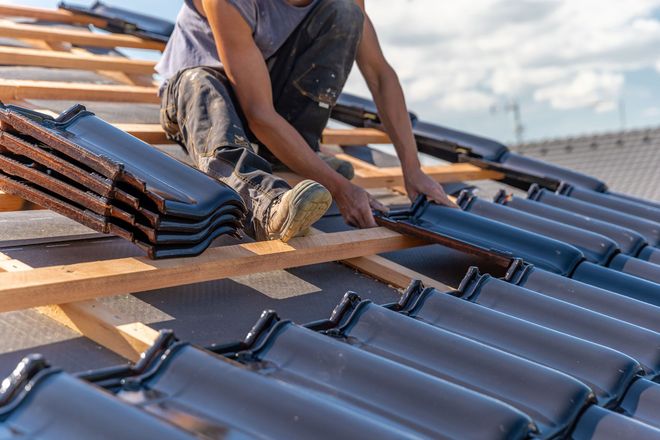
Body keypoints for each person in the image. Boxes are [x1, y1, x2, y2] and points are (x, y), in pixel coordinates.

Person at [156, 0, 455, 242]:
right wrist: (339, 187)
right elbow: (258, 113)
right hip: (199, 91)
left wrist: (412, 169)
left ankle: (290, 157)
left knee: (345, 13)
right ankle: (264, 203)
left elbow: (380, 76)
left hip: (264, 90)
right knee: (203, 84)